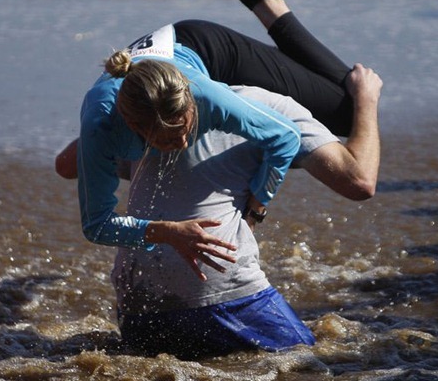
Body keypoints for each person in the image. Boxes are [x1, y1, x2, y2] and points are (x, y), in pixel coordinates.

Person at [71, 0, 365, 271]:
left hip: (206, 49)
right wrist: (166, 232)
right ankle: (89, 149)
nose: (182, 144)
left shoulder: (205, 96)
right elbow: (96, 225)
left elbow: (284, 136)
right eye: (169, 138)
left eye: (184, 130)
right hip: (126, 99)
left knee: (346, 109)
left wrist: (255, 209)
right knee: (67, 165)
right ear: (136, 125)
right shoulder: (102, 126)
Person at [112, 68, 382, 359]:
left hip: (136, 308)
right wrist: (366, 100)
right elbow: (360, 182)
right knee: (311, 363)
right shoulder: (270, 104)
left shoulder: (146, 112)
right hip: (220, 295)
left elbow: (67, 165)